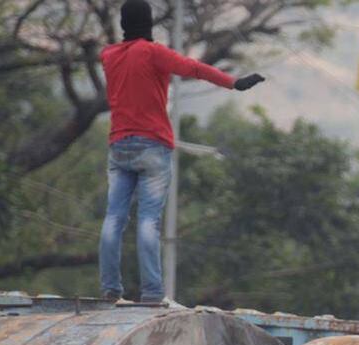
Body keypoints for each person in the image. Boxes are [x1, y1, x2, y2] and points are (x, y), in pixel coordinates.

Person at [99, 0, 265, 303]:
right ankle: (151, 293)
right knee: (148, 221)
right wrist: (234, 83)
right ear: (149, 24)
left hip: (119, 145)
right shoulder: (152, 52)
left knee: (113, 218)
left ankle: (110, 288)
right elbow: (193, 68)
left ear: (123, 24)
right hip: (152, 144)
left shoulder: (109, 56)